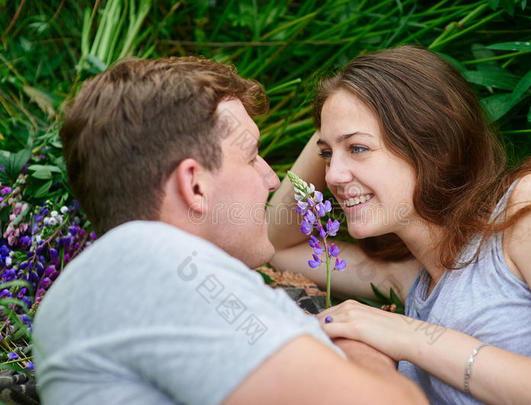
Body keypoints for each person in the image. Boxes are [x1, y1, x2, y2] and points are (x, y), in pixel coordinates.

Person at [32, 57, 428, 405]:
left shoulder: (122, 280)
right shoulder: (160, 268)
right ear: (195, 185)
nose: (272, 179)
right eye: (253, 156)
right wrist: (360, 344)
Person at [268, 45, 531, 404]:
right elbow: (281, 245)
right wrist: (335, 119)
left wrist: (410, 335)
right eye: (327, 155)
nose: (334, 175)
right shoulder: (411, 277)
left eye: (357, 148)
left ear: (431, 143)